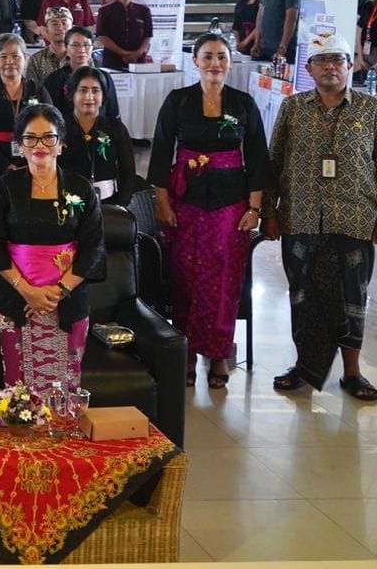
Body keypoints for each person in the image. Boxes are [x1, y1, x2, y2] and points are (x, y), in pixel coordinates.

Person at [149, 32, 271, 388]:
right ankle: (185, 351)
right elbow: (160, 153)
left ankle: (218, 353)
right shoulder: (178, 101)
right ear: (195, 61)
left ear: (230, 62)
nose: (214, 63)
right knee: (184, 276)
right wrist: (162, 201)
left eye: (221, 56)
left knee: (223, 280)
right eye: (207, 56)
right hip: (184, 203)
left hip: (230, 205)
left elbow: (258, 158)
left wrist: (255, 207)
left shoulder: (244, 103)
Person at [263, 35, 377, 400]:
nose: (331, 66)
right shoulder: (293, 108)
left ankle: (353, 373)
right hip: (301, 217)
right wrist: (270, 212)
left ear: (350, 65)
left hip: (356, 218)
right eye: (322, 60)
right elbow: (273, 162)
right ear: (309, 68)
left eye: (338, 60)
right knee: (304, 296)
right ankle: (305, 366)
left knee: (352, 296)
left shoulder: (370, 109)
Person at [0, 102, 106, 390]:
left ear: (60, 143)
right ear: (20, 146)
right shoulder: (5, 187)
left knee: (65, 389)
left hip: (68, 301)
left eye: (49, 137)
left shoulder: (81, 188)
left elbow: (93, 248)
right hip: (16, 300)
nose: (40, 145)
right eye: (30, 138)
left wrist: (57, 293)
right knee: (17, 390)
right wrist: (27, 291)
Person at [57, 67, 138, 206]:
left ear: (103, 96)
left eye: (95, 90)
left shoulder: (115, 128)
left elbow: (128, 173)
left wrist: (120, 206)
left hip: (108, 205)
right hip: (66, 204)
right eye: (83, 90)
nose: (89, 97)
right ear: (72, 94)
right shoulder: (58, 128)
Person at [0, 33, 46, 177]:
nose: (10, 61)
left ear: (26, 57)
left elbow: (52, 126)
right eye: (3, 57)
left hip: (34, 162)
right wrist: (3, 164)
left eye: (15, 56)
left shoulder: (37, 89)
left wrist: (34, 159)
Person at [44, 25, 122, 119]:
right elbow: (51, 115)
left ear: (92, 47)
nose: (81, 50)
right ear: (66, 48)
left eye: (86, 45)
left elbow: (113, 114)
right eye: (75, 45)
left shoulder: (104, 77)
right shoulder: (55, 79)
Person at [96, 0, 154, 69]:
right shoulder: (105, 11)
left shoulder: (144, 11)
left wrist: (137, 53)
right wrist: (122, 53)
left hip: (138, 59)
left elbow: (148, 35)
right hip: (113, 59)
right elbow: (102, 36)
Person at [25, 7, 72, 86]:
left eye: (64, 23)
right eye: (54, 24)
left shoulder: (81, 57)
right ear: (47, 29)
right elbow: (31, 92)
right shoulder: (36, 60)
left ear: (71, 28)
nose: (60, 28)